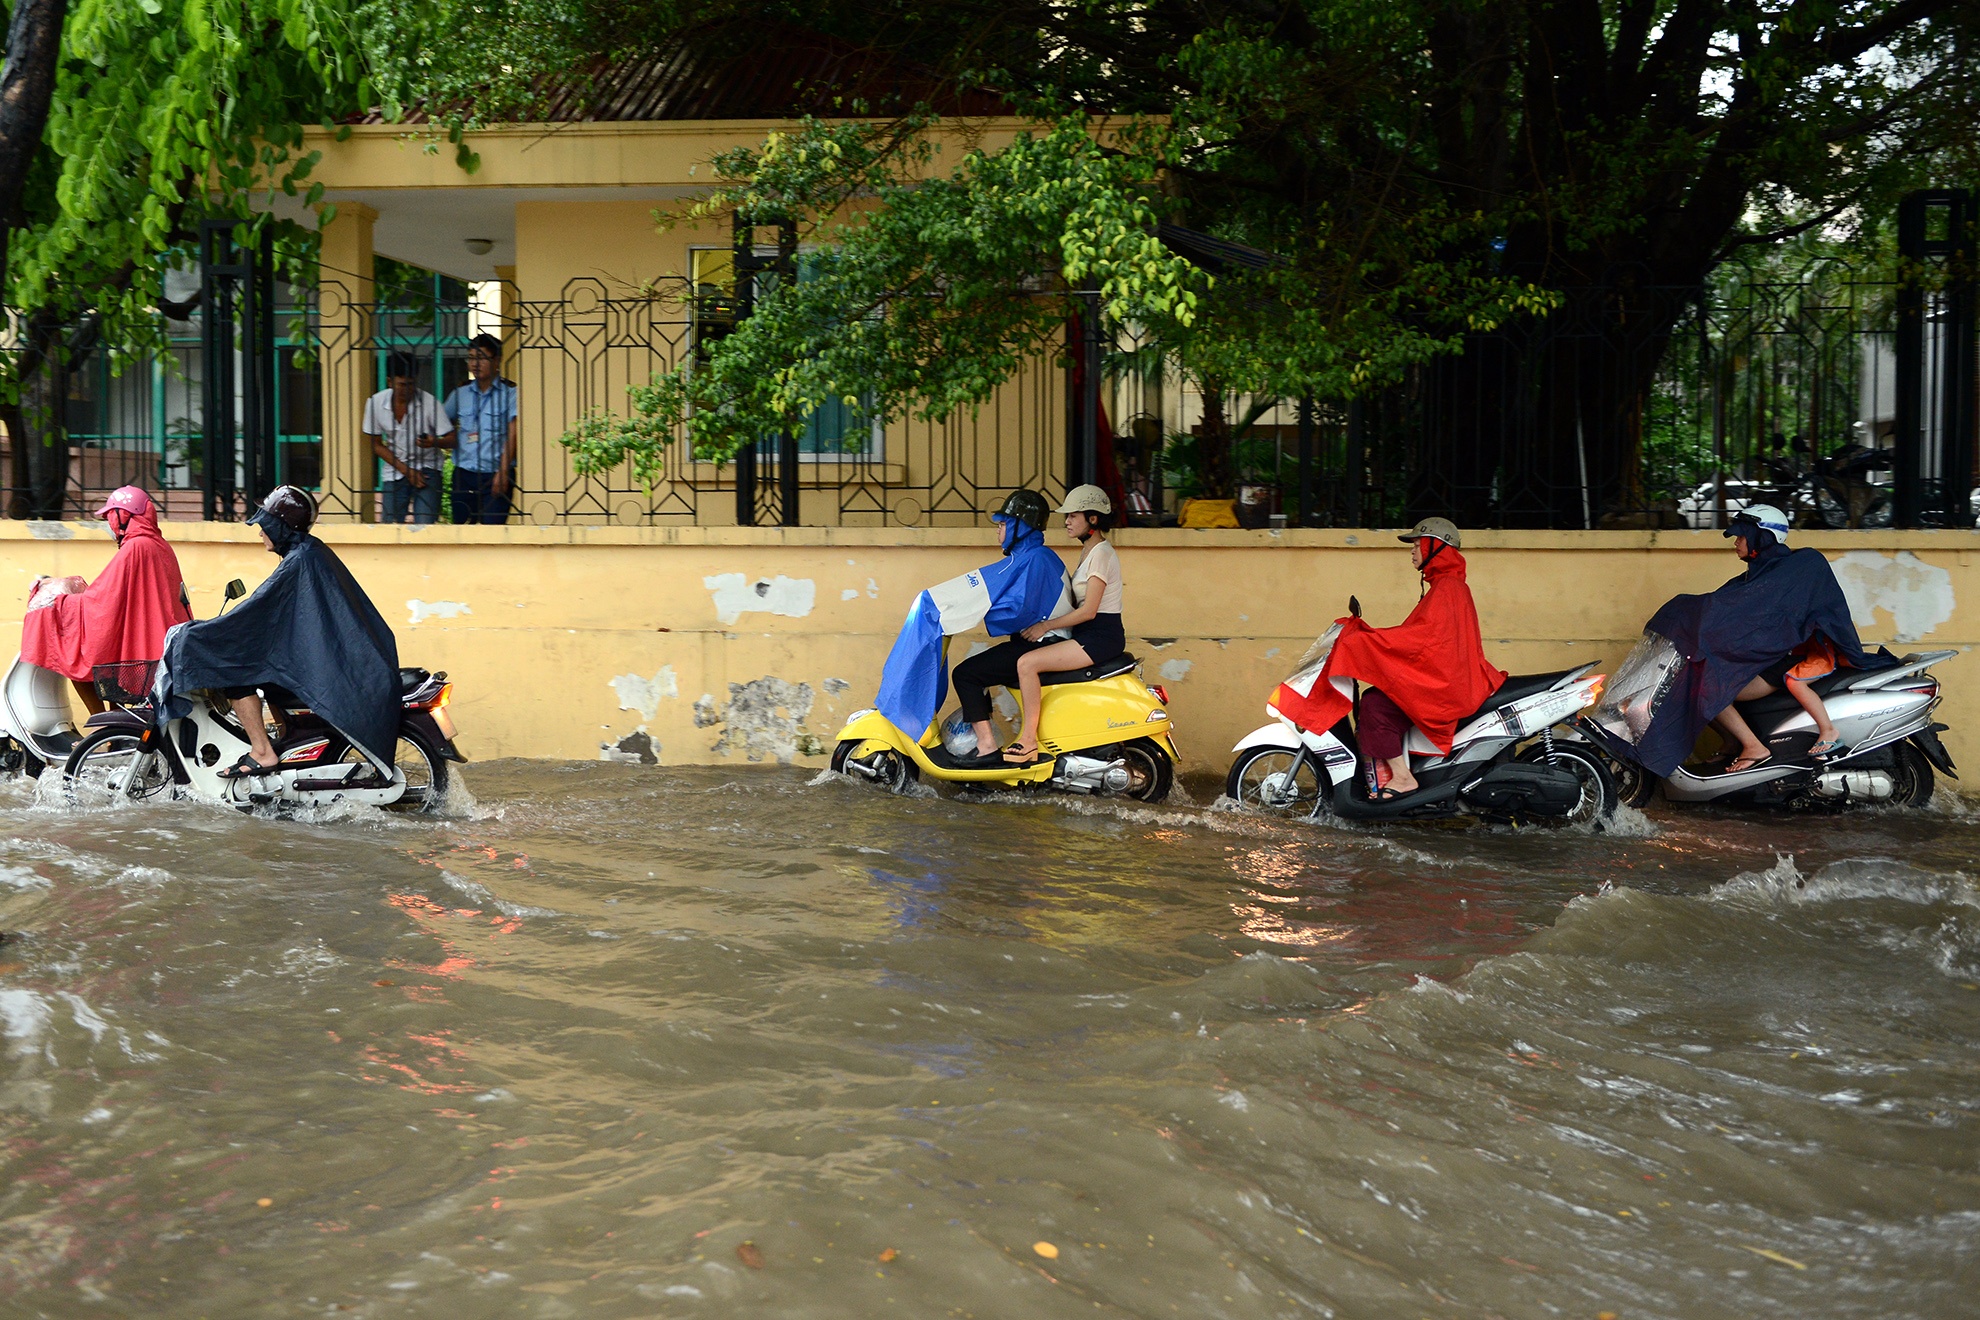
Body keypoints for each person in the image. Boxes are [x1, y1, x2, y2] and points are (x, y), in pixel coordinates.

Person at [159, 487, 402, 780]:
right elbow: (267, 610)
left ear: (281, 526)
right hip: (338, 657)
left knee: (236, 677)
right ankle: (285, 743)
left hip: (332, 663)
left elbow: (258, 610)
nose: (261, 532)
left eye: (266, 525)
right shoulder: (308, 551)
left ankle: (262, 752)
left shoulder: (300, 561)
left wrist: (202, 632)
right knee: (264, 670)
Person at [1269, 518, 1506, 798]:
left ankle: (1403, 778)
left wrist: (1366, 641)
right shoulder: (1447, 586)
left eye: (1417, 545)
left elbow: (1423, 643)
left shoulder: (1447, 589)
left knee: (1375, 706)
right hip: (1450, 680)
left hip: (1445, 687)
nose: (1413, 551)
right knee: (1376, 697)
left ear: (1434, 547)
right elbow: (1420, 639)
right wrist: (1370, 638)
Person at [872, 489, 1071, 750]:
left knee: (966, 675)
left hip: (1045, 644)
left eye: (1003, 525)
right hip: (1039, 641)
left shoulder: (1035, 559)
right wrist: (969, 610)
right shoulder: (1031, 557)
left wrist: (972, 611)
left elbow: (1020, 610)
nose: (998, 531)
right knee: (978, 670)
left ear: (1020, 526)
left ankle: (986, 744)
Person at [1696, 505, 1854, 772]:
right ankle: (1733, 741)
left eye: (1742, 536)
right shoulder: (1754, 577)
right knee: (1695, 683)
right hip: (1769, 657)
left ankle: (1755, 747)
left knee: (1709, 691)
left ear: (1762, 536)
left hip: (1797, 656)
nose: (1736, 542)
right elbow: (1723, 607)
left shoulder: (1799, 566)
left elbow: (1786, 619)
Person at [20, 486, 190, 716]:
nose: (108, 523)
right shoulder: (158, 545)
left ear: (124, 515)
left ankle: (100, 720)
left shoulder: (136, 547)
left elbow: (104, 598)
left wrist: (61, 603)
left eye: (110, 516)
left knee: (74, 647)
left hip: (146, 646)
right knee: (102, 651)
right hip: (156, 639)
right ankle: (111, 722)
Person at [992, 485, 1127, 765]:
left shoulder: (1101, 554)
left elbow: (1088, 611)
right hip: (1089, 634)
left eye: (1073, 516)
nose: (1066, 521)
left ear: (1093, 519)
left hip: (1100, 637)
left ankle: (1028, 740)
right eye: (1067, 516)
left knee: (1027, 664)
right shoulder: (1090, 551)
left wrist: (1045, 626)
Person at [364, 352, 453, 524]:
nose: (407, 390)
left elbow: (452, 439)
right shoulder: (375, 403)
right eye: (402, 385)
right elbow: (376, 445)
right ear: (389, 382)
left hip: (428, 468)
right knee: (389, 527)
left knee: (425, 527)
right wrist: (407, 471)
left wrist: (434, 442)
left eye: (411, 384)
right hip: (395, 469)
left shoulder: (430, 403)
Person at [445, 333, 519, 524]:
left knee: (492, 532)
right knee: (460, 532)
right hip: (464, 475)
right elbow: (441, 422)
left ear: (497, 360)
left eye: (481, 358)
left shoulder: (510, 393)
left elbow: (513, 433)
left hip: (495, 474)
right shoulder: (460, 393)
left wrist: (503, 472)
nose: (475, 364)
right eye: (471, 358)